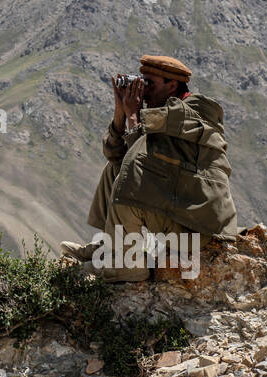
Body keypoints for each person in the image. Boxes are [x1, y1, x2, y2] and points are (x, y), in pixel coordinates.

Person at [60, 55, 237, 281]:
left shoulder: (192, 113)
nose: (144, 90)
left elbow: (141, 160)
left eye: (149, 84)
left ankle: (128, 265)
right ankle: (112, 248)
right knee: (115, 169)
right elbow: (116, 154)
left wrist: (133, 114)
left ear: (172, 85)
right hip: (179, 209)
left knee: (129, 186)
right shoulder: (162, 114)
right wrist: (120, 114)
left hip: (198, 226)